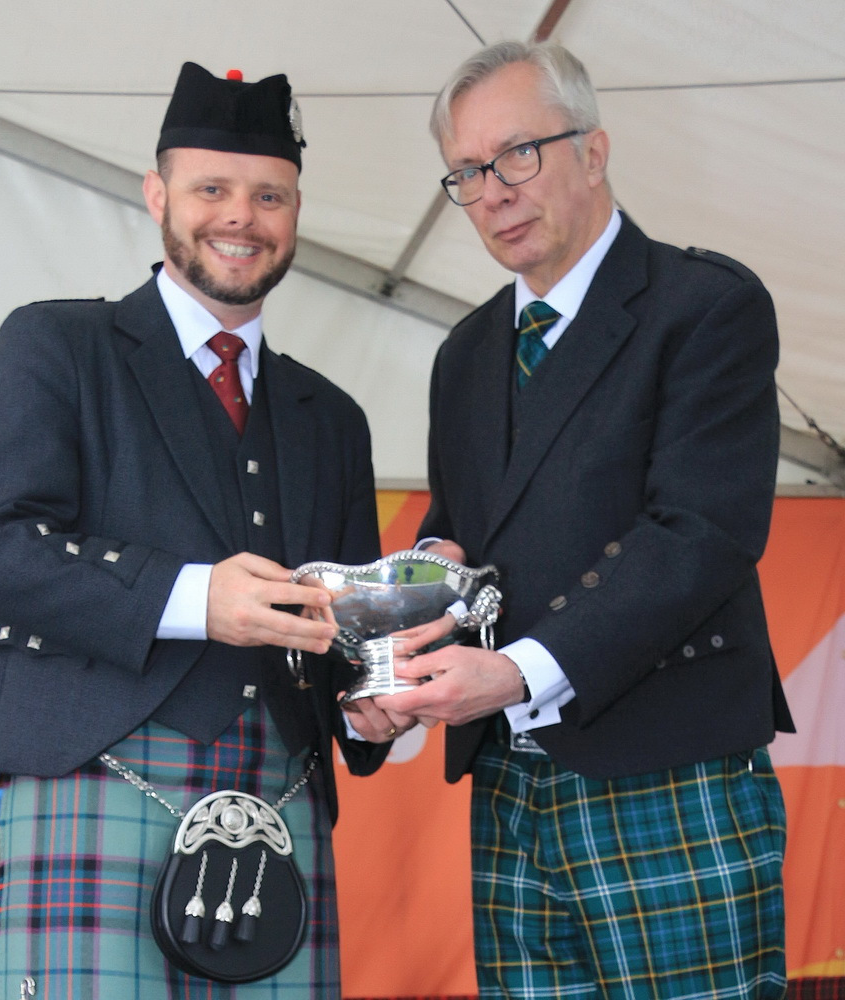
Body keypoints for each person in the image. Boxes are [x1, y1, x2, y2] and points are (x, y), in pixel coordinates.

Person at [0, 62, 403, 1000]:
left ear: (296, 212)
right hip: (92, 776)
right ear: (157, 196)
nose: (242, 217)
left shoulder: (332, 418)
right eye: (211, 189)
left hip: (279, 792)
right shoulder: (59, 345)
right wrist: (196, 598)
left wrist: (373, 705)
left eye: (269, 195)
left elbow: (348, 628)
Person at [378, 40, 794, 998]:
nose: (494, 191)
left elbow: (702, 532)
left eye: (518, 154)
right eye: (468, 171)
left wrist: (519, 671)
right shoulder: (466, 352)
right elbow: (464, 529)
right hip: (509, 783)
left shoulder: (706, 307)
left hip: (670, 772)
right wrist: (411, 615)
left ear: (595, 151)